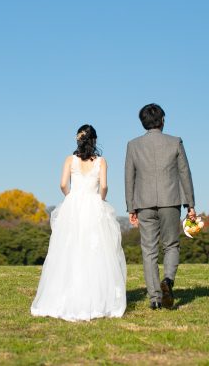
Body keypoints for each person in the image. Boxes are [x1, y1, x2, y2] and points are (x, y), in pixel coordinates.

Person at [31, 125, 127, 322]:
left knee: (69, 249)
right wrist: (100, 199)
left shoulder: (70, 159)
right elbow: (105, 185)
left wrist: (70, 196)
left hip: (73, 205)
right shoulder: (101, 161)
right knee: (95, 251)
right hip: (93, 203)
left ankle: (63, 297)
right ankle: (97, 299)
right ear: (95, 140)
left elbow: (62, 184)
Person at [125, 104, 196, 310]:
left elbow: (129, 178)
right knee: (171, 245)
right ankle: (168, 281)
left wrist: (131, 207)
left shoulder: (133, 145)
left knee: (149, 252)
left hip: (143, 203)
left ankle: (155, 299)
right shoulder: (175, 142)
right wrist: (190, 204)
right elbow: (185, 174)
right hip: (171, 201)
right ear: (162, 120)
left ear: (143, 122)